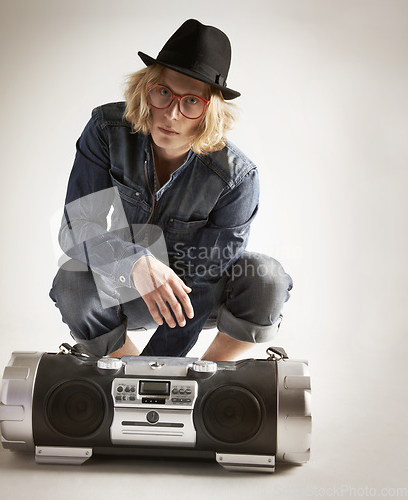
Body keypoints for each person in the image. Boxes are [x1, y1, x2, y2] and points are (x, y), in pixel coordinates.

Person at [49, 19, 293, 361]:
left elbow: (206, 280)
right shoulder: (106, 130)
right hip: (127, 286)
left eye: (191, 101)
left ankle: (210, 378)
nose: (172, 114)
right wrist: (134, 261)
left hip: (197, 299)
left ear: (211, 110)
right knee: (71, 281)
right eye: (164, 93)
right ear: (147, 89)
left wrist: (162, 367)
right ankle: (123, 374)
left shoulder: (237, 177)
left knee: (266, 277)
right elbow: (77, 229)